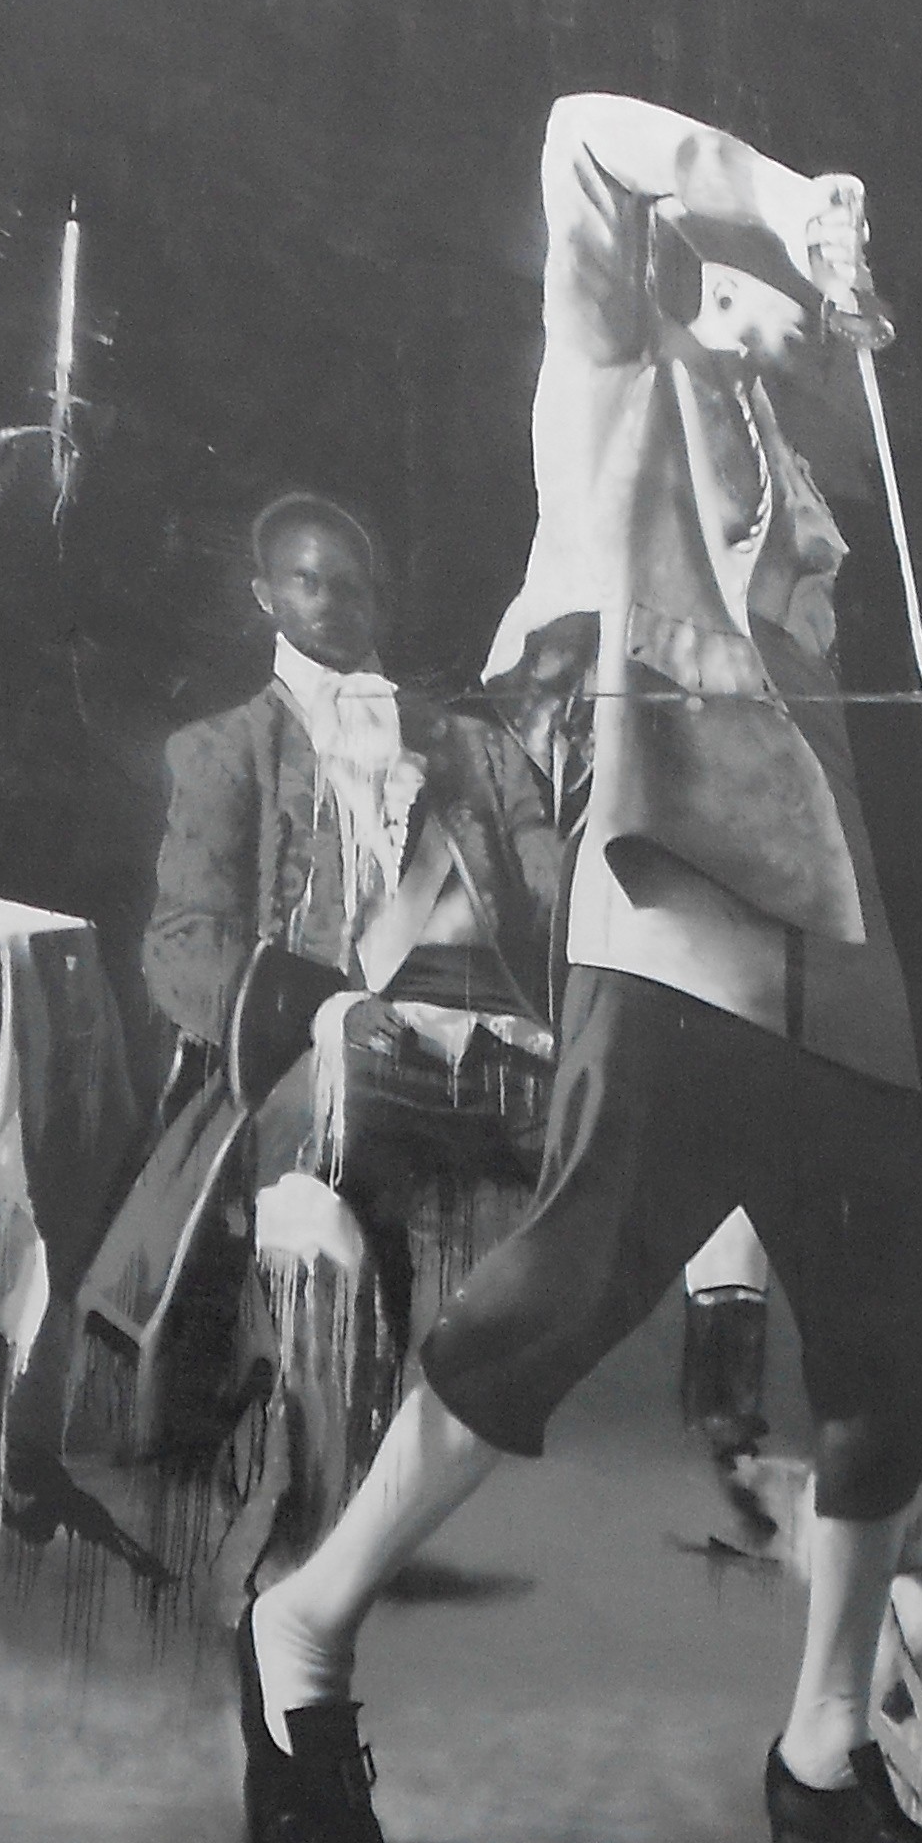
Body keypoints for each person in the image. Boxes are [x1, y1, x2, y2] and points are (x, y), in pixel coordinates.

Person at [238, 93, 922, 1843]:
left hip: (840, 954)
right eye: (780, 277)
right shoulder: (611, 376)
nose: (815, 308)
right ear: (706, 271)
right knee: (566, 1290)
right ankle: (306, 1627)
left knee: (888, 1368)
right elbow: (577, 135)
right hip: (676, 924)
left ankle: (825, 1748)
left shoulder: (803, 471)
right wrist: (788, 196)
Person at [74, 495, 561, 1513]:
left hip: (493, 1057)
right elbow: (183, 946)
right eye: (308, 581)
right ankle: (326, 1509)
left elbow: (554, 892)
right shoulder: (223, 751)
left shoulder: (473, 747)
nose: (334, 602)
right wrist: (321, 1015)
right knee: (317, 1218)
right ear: (265, 595)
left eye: (352, 586)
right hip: (313, 1065)